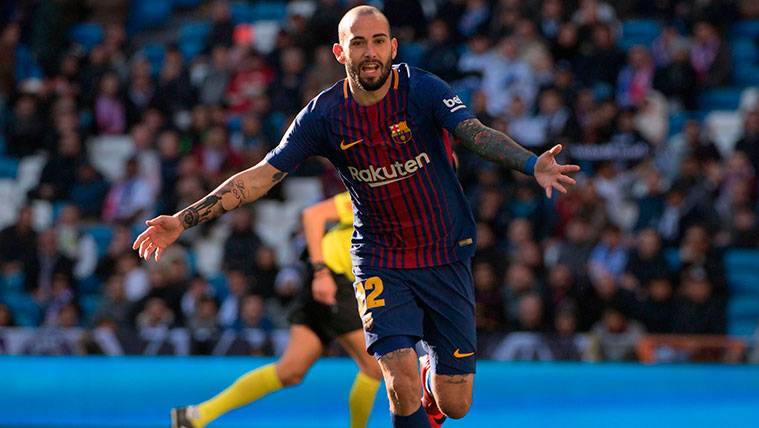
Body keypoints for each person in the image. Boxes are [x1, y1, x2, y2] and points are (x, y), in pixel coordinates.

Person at [134, 6, 579, 428]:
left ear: (393, 47)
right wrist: (184, 219)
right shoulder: (323, 116)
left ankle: (432, 376)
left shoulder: (423, 89)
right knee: (397, 383)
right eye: (359, 42)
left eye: (379, 41)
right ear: (340, 52)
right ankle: (413, 379)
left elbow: (475, 134)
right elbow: (261, 177)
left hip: (444, 250)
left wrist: (531, 164)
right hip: (380, 255)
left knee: (455, 404)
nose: (370, 52)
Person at [170, 192, 382, 428]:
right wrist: (321, 272)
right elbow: (312, 214)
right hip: (332, 278)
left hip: (338, 281)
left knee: (290, 371)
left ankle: (196, 415)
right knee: (374, 367)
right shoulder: (378, 193)